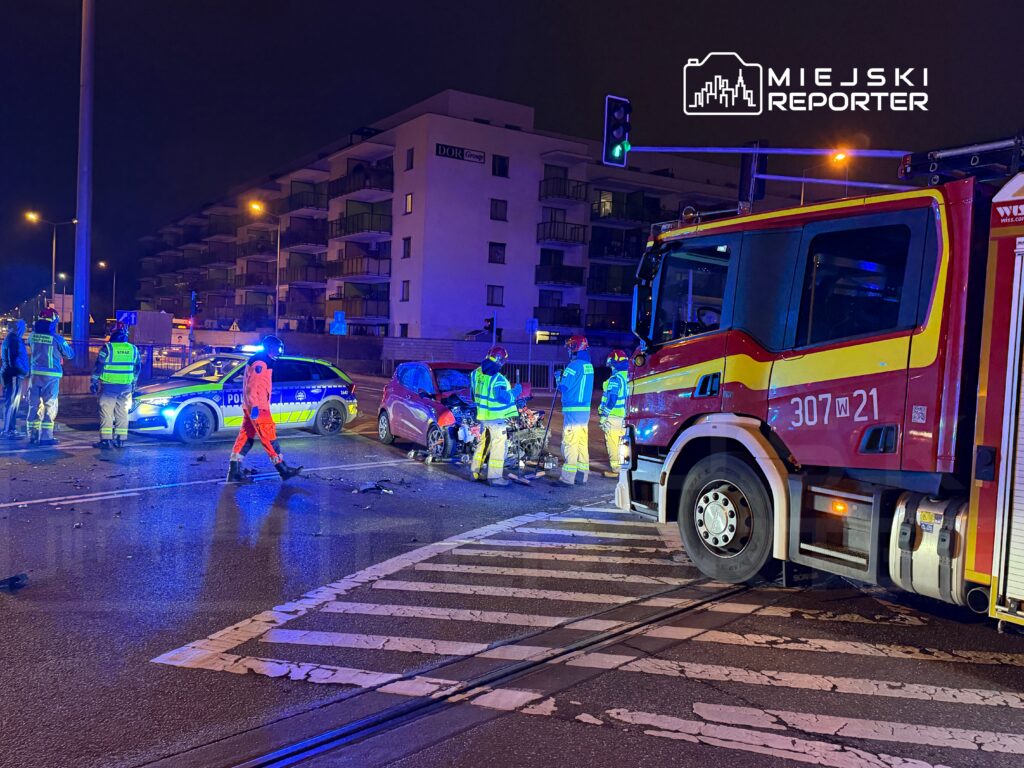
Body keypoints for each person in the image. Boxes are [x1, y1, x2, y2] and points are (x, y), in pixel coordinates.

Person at [227, 335, 302, 483]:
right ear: (270, 348)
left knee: (245, 437)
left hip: (253, 406)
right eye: (278, 349)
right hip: (258, 407)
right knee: (269, 437)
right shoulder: (261, 363)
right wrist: (255, 407)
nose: (279, 352)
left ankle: (234, 471)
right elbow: (253, 387)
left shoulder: (262, 361)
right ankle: (283, 469)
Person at [470, 345, 520, 487]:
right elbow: (502, 398)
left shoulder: (475, 373)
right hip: (496, 418)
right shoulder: (498, 379)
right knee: (498, 446)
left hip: (482, 417)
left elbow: (473, 396)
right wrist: (515, 392)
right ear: (501, 361)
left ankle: (475, 472)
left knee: (483, 444)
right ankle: (495, 477)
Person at [26, 308, 73, 445]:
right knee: (49, 405)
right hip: (51, 376)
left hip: (35, 375)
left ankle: (32, 435)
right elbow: (70, 354)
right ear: (53, 322)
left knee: (33, 404)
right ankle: (46, 437)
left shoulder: (32, 336)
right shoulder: (57, 338)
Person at [90, 322, 141, 449]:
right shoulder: (133, 349)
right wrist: (134, 382)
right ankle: (120, 439)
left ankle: (106, 440)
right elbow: (138, 367)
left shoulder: (107, 348)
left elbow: (99, 366)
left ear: (112, 333)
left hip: (109, 386)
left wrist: (94, 381)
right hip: (126, 387)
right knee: (122, 412)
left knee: (106, 413)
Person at [555, 335, 594, 486]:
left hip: (573, 411)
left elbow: (564, 387)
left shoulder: (573, 366)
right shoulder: (588, 365)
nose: (569, 351)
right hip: (584, 411)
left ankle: (567, 478)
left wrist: (558, 377)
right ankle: (582, 476)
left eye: (570, 347)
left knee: (570, 443)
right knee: (581, 444)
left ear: (574, 348)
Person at [599, 349, 629, 478]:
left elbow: (612, 399)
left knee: (612, 443)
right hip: (624, 417)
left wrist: (604, 416)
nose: (610, 367)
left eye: (611, 364)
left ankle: (616, 469)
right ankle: (624, 468)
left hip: (613, 416)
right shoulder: (628, 377)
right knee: (624, 443)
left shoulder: (615, 379)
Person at [1, 319, 29, 438]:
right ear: (19, 328)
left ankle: (10, 429)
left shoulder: (11, 338)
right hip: (14, 375)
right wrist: (23, 371)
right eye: (24, 327)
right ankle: (8, 430)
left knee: (11, 402)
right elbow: (15, 360)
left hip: (12, 374)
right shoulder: (14, 340)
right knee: (12, 403)